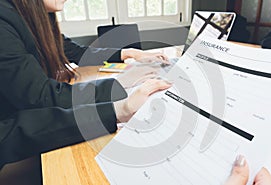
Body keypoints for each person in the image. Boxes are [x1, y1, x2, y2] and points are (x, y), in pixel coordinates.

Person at [0, 0, 171, 184]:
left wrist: (129, 53)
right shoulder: (4, 21)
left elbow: (76, 51)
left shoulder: (37, 17)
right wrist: (118, 94)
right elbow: (43, 97)